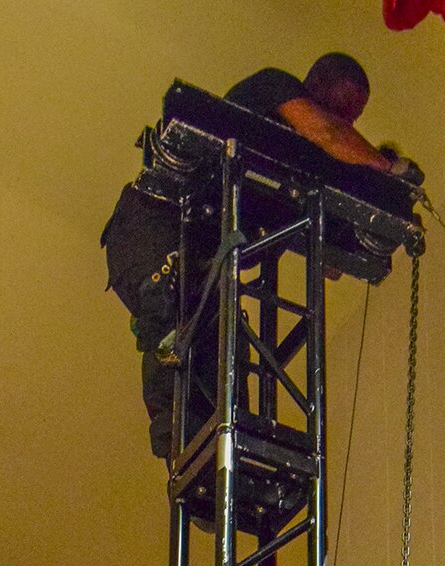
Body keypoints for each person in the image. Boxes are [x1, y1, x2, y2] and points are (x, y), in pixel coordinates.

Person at [102, 54, 414, 459]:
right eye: (342, 108)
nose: (348, 123)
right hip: (153, 227)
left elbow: (332, 265)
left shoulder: (299, 175)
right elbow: (329, 133)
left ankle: (208, 465)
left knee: (219, 376)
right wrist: (387, 171)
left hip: (198, 264)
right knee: (173, 318)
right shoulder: (273, 86)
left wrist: (359, 202)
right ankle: (182, 433)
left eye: (353, 117)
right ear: (315, 87)